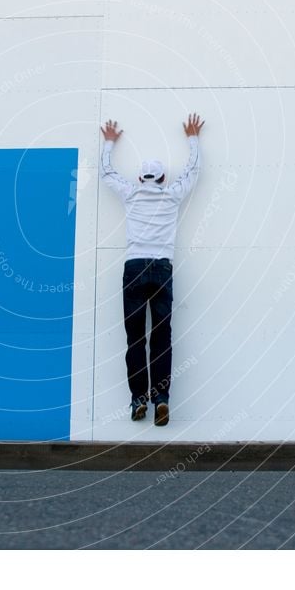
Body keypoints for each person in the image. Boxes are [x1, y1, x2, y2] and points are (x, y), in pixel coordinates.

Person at [100, 113, 204, 426]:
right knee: (161, 338)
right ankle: (161, 397)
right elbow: (193, 172)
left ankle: (137, 400)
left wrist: (108, 142)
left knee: (135, 340)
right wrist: (192, 137)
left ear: (139, 179)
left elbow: (106, 172)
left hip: (133, 268)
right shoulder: (172, 195)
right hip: (161, 268)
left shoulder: (129, 194)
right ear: (161, 179)